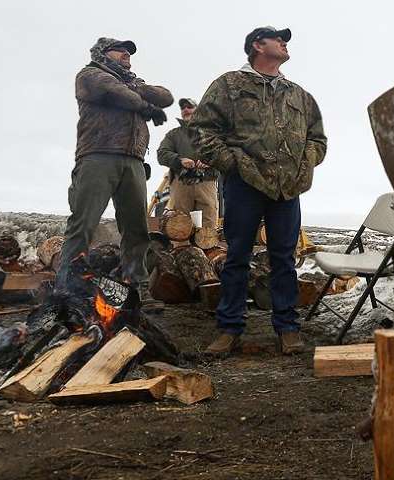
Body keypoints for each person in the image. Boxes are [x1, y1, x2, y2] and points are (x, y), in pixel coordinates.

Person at [191, 26, 327, 355]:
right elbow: (202, 130)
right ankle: (229, 329)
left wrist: (304, 165)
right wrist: (232, 164)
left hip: (287, 189)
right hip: (244, 185)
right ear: (257, 45)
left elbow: (318, 139)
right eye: (277, 38)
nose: (284, 43)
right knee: (237, 256)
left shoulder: (299, 95)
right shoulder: (229, 85)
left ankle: (288, 328)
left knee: (284, 259)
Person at [56, 37, 173, 310]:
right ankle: (66, 290)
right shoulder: (90, 75)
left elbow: (166, 96)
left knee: (136, 227)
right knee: (83, 223)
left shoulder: (132, 83)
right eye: (119, 50)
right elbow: (112, 91)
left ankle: (136, 287)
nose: (126, 54)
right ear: (102, 53)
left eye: (128, 51)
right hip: (98, 155)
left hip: (133, 161)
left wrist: (138, 88)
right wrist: (144, 105)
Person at [157, 98, 219, 227]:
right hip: (181, 184)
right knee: (180, 227)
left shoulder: (212, 133)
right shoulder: (173, 135)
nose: (185, 110)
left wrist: (210, 161)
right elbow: (162, 154)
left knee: (208, 226)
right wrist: (179, 160)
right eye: (183, 108)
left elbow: (222, 152)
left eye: (189, 107)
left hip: (206, 183)